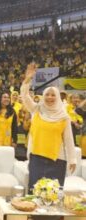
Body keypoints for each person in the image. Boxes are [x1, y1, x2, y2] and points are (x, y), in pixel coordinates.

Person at [21, 63, 76, 194]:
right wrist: (27, 79)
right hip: (36, 158)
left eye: (53, 95)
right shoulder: (37, 110)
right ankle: (34, 215)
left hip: (57, 160)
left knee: (53, 194)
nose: (50, 97)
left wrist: (72, 159)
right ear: (43, 96)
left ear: (57, 98)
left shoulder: (64, 116)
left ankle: (54, 216)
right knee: (35, 192)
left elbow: (68, 140)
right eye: (47, 94)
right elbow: (25, 97)